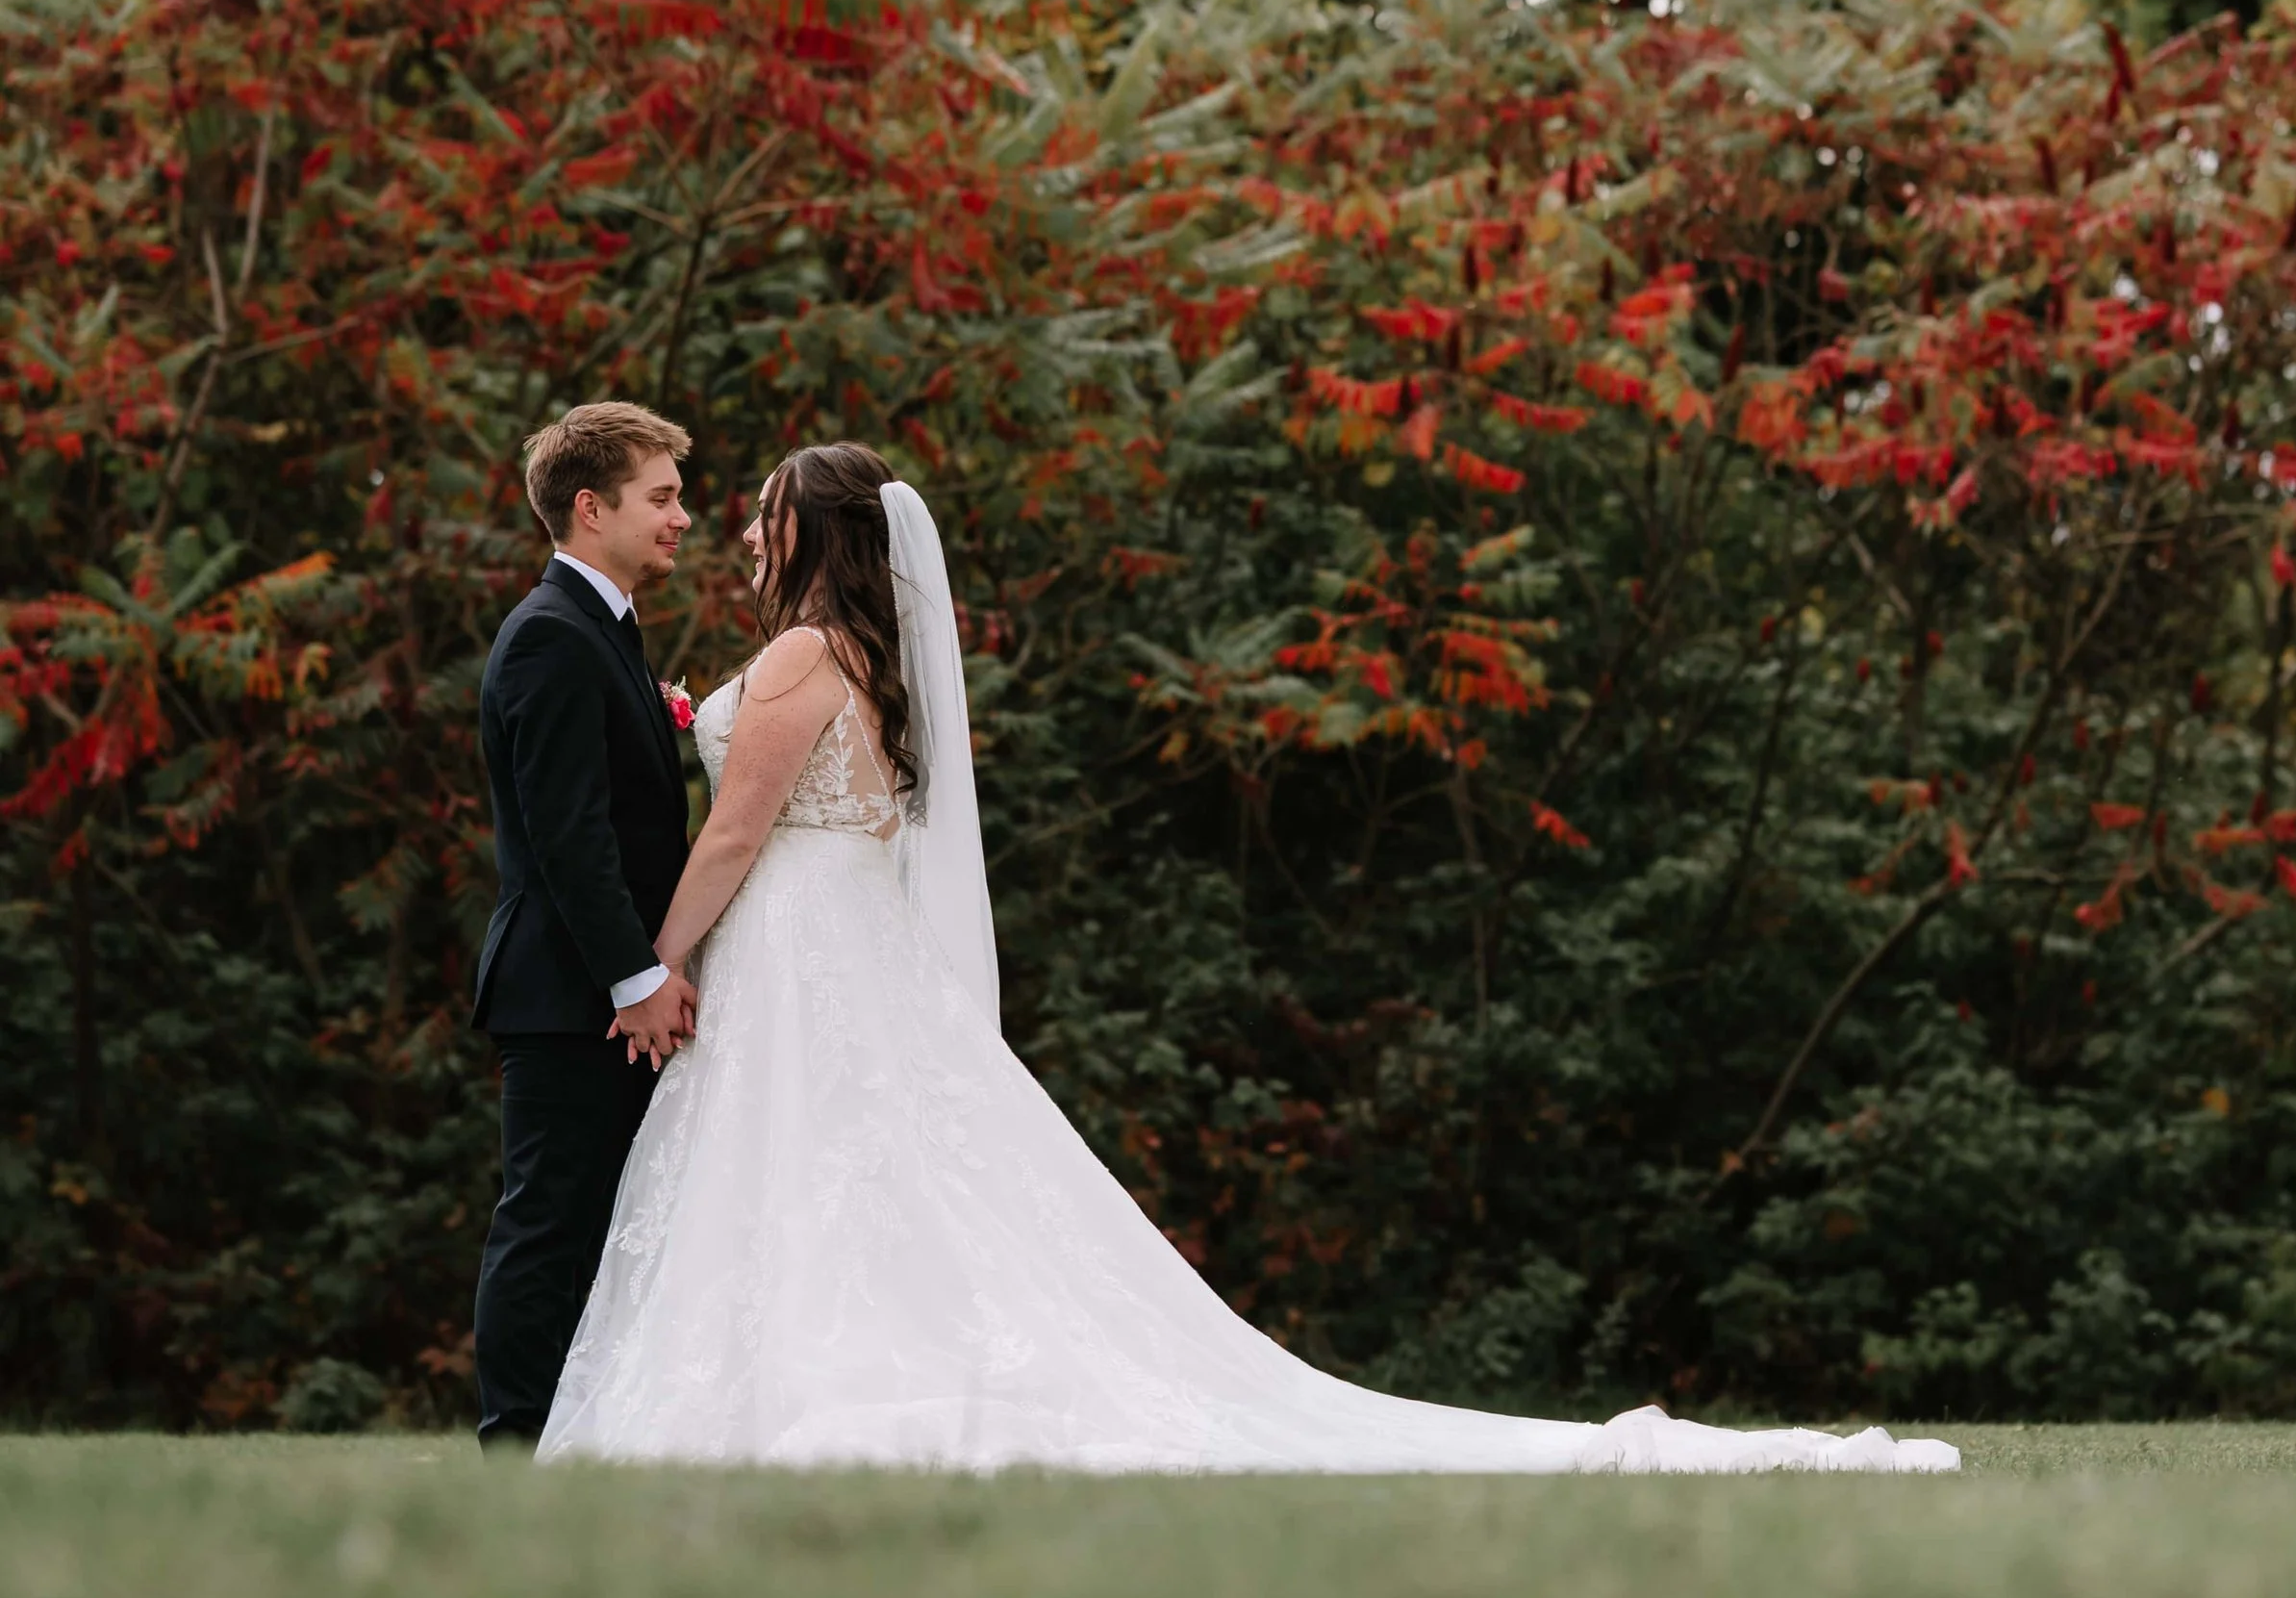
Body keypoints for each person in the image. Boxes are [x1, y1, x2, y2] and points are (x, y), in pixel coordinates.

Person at [542, 442, 1959, 1477]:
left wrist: (657, 968)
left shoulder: (798, 656)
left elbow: (732, 834)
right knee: (869, 1168)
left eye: (764, 515)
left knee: (809, 1164)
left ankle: (801, 1382)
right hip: (848, 942)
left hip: (799, 942)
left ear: (820, 532)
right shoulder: (867, 655)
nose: (738, 533)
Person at [469, 401, 699, 1446]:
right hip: (567, 990)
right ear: (589, 506)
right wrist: (633, 977)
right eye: (661, 495)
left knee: (601, 1223)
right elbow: (569, 835)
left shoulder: (600, 630)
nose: (682, 516)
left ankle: (578, 1433)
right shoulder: (552, 637)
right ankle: (515, 1444)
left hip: (592, 989)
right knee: (549, 1222)